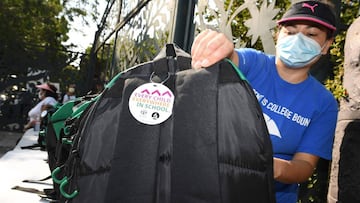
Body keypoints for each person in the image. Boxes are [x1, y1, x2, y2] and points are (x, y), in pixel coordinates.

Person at [191, 1, 338, 203]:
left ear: (326, 45)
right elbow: (230, 59)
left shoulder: (324, 103)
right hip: (213, 186)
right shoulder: (253, 63)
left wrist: (270, 165)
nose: (298, 40)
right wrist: (220, 47)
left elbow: (304, 165)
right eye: (291, 31)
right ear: (278, 35)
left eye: (311, 34)